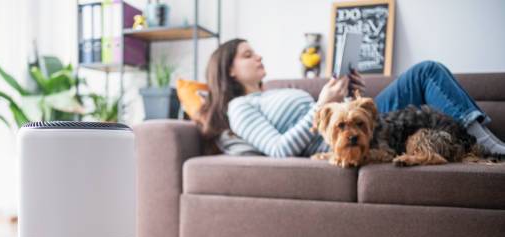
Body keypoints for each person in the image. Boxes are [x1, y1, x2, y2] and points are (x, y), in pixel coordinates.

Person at [195, 38, 505, 157]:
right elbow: (278, 149)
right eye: (248, 55)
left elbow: (340, 117)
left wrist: (351, 95)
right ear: (230, 71)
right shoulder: (240, 107)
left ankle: (482, 140)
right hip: (334, 141)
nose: (258, 56)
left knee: (427, 71)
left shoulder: (274, 90)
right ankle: (487, 145)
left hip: (357, 122)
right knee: (425, 71)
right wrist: (321, 104)